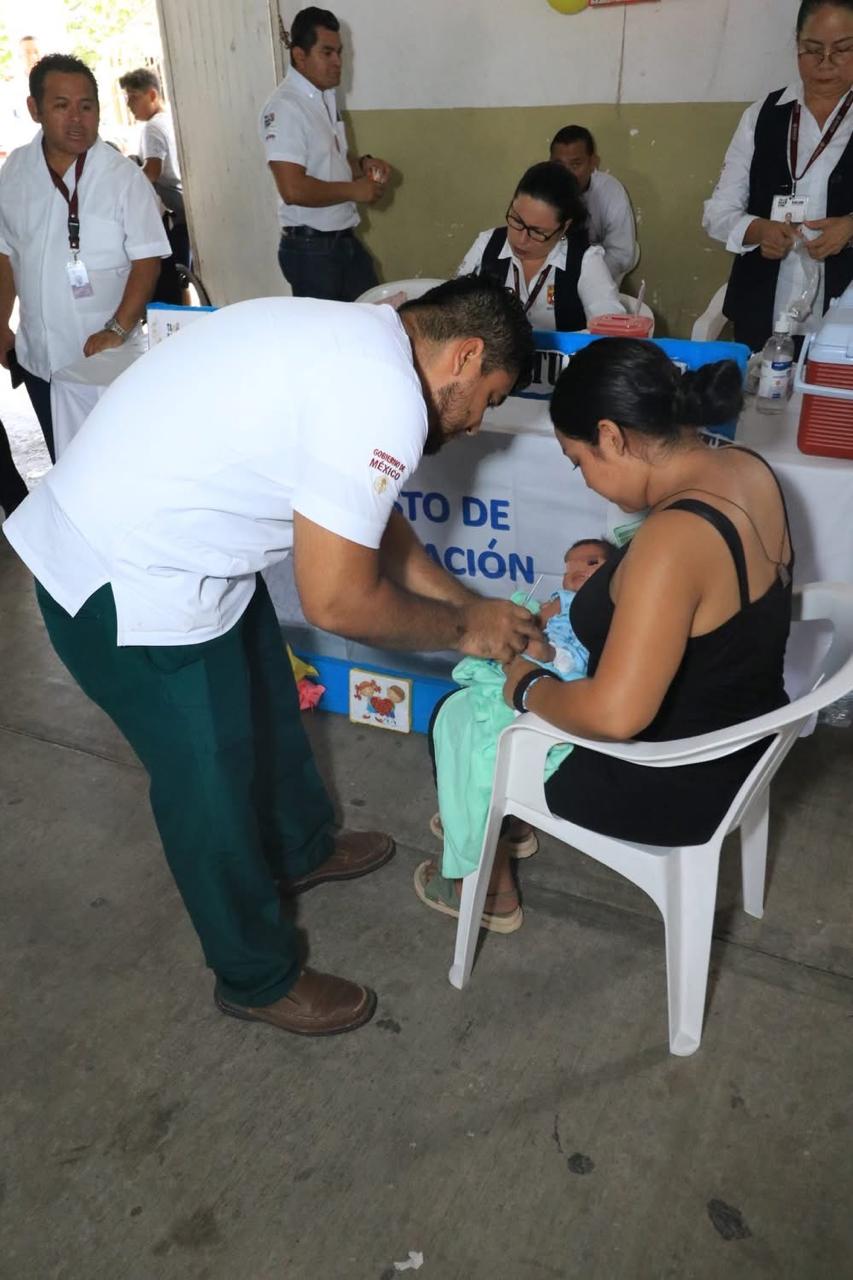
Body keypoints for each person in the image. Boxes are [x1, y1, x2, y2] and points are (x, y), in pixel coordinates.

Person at [3, 276, 541, 1039]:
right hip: (124, 585)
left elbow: (369, 523)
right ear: (464, 354)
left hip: (186, 559)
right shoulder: (379, 393)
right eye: (488, 396)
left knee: (265, 695)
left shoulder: (366, 341)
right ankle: (254, 975)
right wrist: (462, 632)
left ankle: (299, 846)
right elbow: (338, 603)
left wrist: (465, 604)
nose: (477, 420)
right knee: (208, 789)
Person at [421, 338, 794, 925]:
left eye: (581, 461)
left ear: (612, 436)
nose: (587, 481)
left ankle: (487, 886)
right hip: (746, 736)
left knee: (460, 712)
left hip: (670, 783)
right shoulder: (747, 468)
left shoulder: (673, 540)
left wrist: (524, 684)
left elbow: (617, 717)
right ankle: (499, 819)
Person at [417, 540, 617, 929]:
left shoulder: (610, 613)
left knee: (459, 721)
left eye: (591, 563)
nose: (576, 571)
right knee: (468, 706)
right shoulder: (574, 600)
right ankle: (510, 826)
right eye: (569, 565)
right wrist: (531, 619)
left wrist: (536, 651)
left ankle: (489, 886)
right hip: (567, 704)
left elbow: (574, 672)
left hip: (573, 715)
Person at [0, 54, 170, 462]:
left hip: (105, 364)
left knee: (117, 465)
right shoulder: (15, 172)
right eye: (62, 106)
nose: (77, 118)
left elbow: (149, 262)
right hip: (40, 359)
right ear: (35, 109)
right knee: (65, 465)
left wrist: (116, 327)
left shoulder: (123, 178)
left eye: (87, 106)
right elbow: (6, 252)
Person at [703, 0, 853, 351]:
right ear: (797, 42)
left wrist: (849, 228)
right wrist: (759, 230)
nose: (825, 64)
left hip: (844, 322)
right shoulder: (761, 116)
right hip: (763, 312)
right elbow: (717, 213)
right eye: (812, 50)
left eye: (843, 50)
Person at [259, 6, 391, 301]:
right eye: (327, 53)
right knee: (327, 341)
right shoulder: (285, 107)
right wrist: (355, 191)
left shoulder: (324, 98)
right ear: (299, 56)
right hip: (311, 250)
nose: (338, 62)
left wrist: (364, 165)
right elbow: (292, 188)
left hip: (342, 240)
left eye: (340, 53)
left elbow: (334, 160)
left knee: (372, 316)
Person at [457, 162, 624, 332]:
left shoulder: (584, 261)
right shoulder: (487, 244)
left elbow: (610, 332)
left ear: (564, 227)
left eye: (537, 232)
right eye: (517, 221)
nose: (522, 239)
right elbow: (453, 309)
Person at [119, 67, 189, 306]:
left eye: (134, 97)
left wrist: (123, 180)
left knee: (169, 281)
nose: (129, 104)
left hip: (175, 213)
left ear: (152, 95)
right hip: (183, 210)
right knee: (181, 281)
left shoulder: (152, 128)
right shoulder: (167, 120)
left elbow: (151, 172)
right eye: (127, 98)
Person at [550, 125, 638, 285]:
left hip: (600, 275)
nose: (566, 173)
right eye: (559, 165)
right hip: (553, 278)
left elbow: (621, 253)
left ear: (593, 163)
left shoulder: (611, 191)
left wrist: (585, 280)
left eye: (575, 165)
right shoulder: (541, 191)